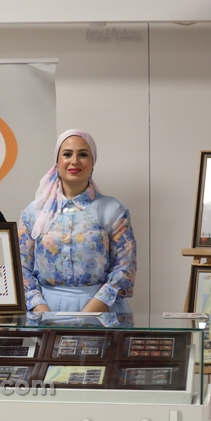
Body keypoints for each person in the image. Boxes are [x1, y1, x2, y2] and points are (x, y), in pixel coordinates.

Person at [18, 129, 136, 313]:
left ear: (93, 162)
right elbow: (21, 268)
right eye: (67, 154)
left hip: (101, 312)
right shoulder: (33, 212)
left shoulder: (113, 210)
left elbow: (125, 269)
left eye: (83, 154)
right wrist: (43, 314)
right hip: (44, 312)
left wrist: (87, 315)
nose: (74, 161)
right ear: (57, 162)